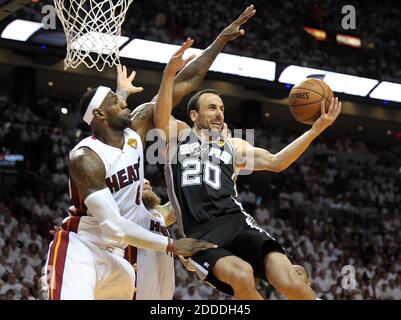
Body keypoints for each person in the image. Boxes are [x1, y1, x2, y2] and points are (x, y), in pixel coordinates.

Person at [153, 18, 341, 300]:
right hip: (200, 232)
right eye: (212, 108)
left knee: (289, 279)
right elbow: (160, 114)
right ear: (193, 115)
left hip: (236, 221)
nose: (219, 113)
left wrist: (314, 131)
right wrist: (169, 76)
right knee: (241, 276)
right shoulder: (178, 136)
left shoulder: (234, 144)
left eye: (222, 108)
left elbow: (277, 162)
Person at [43, 66, 217, 300]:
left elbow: (174, 90)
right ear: (101, 115)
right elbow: (114, 225)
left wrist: (219, 42)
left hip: (119, 258)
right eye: (116, 101)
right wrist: (173, 245)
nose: (125, 103)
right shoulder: (86, 157)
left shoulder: (133, 137)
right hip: (87, 243)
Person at [124, 178, 177, 300]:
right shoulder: (128, 210)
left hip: (162, 290)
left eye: (148, 182)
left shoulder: (158, 213)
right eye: (141, 182)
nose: (147, 182)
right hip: (138, 284)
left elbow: (177, 206)